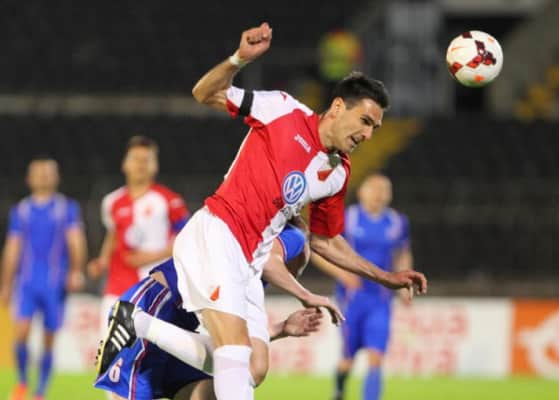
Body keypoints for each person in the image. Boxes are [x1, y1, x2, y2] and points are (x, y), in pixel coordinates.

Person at [102, 22, 426, 400]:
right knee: (234, 354)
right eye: (365, 121)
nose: (368, 134)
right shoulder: (283, 110)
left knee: (253, 367)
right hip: (219, 233)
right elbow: (205, 93)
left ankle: (137, 325)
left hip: (250, 262)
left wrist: (385, 277)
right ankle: (136, 324)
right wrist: (238, 59)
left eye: (375, 128)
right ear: (338, 107)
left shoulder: (337, 172)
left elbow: (324, 240)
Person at [95, 223, 339, 400]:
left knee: (228, 382)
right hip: (157, 304)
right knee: (243, 374)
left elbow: (232, 340)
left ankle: (139, 324)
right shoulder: (289, 237)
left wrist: (279, 329)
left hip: (176, 328)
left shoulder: (252, 275)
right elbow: (275, 257)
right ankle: (135, 322)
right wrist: (303, 293)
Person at [0, 157, 86, 400]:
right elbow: (12, 248)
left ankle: (40, 391)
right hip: (27, 283)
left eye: (48, 172)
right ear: (29, 179)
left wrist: (76, 270)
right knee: (21, 332)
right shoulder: (21, 211)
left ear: (56, 177)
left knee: (49, 338)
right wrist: (6, 285)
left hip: (54, 283)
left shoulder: (66, 208)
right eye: (39, 173)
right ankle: (22, 382)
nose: (44, 176)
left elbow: (76, 241)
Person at [88, 135, 189, 335]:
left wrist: (155, 255)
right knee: (109, 344)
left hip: (156, 287)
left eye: (146, 159)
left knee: (152, 347)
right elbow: (113, 234)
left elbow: (187, 238)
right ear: (125, 164)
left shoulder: (169, 201)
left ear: (155, 166)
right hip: (118, 285)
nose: (140, 164)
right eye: (135, 159)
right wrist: (102, 261)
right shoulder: (111, 202)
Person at [330, 174, 413, 400]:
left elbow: (402, 254)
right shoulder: (349, 218)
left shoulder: (397, 222)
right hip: (352, 298)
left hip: (380, 298)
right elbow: (322, 248)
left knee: (376, 357)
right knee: (348, 359)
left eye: (384, 189)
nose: (379, 193)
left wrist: (404, 285)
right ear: (361, 192)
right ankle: (338, 391)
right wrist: (343, 275)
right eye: (374, 188)